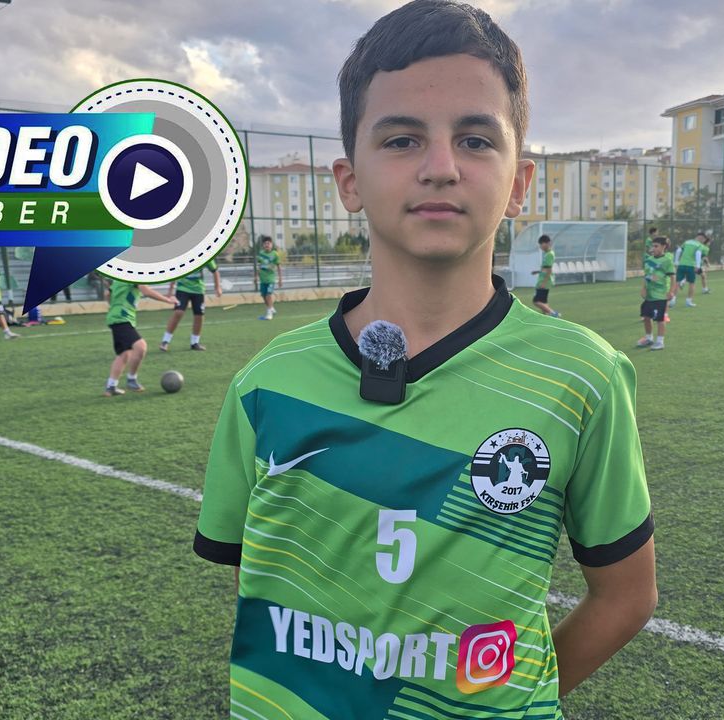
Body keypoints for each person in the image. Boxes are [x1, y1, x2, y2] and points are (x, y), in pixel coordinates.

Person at [194, 3, 656, 717]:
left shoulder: (580, 377)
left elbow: (625, 596)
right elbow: (256, 580)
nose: (441, 168)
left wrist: (504, 702)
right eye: (402, 140)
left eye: (475, 140)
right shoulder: (268, 383)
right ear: (349, 181)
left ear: (520, 183)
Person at [103, 278, 177, 397]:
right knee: (141, 346)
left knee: (124, 354)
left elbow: (107, 294)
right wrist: (168, 300)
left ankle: (111, 386)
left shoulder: (119, 278)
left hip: (115, 318)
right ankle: (131, 379)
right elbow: (146, 291)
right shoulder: (133, 275)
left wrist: (114, 305)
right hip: (122, 319)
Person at [160, 258, 221, 351]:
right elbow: (174, 272)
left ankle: (195, 343)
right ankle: (165, 341)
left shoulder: (206, 257)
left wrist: (217, 287)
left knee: (199, 315)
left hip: (198, 290)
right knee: (178, 312)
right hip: (182, 289)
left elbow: (215, 271)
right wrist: (170, 290)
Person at [638, 236, 677, 350]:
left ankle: (660, 342)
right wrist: (643, 288)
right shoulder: (649, 260)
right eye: (653, 246)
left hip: (660, 296)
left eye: (656, 246)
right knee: (646, 317)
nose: (653, 248)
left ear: (664, 247)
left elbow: (673, 278)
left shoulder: (667, 261)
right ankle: (648, 338)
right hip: (649, 296)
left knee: (660, 319)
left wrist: (671, 292)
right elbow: (646, 276)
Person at [671, 231, 707, 308]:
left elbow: (678, 250)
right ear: (702, 238)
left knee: (677, 282)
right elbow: (698, 253)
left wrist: (676, 262)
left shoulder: (687, 242)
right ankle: (688, 301)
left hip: (681, 264)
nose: (703, 241)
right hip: (691, 266)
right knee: (691, 283)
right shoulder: (699, 245)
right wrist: (698, 266)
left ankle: (672, 300)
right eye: (704, 240)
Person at [254, 235, 282, 320]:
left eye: (268, 243)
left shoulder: (275, 254)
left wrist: (280, 279)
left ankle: (269, 313)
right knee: (263, 295)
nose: (267, 245)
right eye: (265, 243)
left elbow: (278, 266)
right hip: (263, 279)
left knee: (268, 295)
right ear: (263, 245)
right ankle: (271, 308)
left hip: (271, 279)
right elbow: (259, 266)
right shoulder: (261, 254)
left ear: (271, 244)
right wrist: (256, 276)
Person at [531, 234, 560, 316]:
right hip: (543, 280)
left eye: (541, 244)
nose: (540, 246)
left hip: (544, 281)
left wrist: (544, 283)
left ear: (547, 243)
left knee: (536, 301)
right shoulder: (547, 254)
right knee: (543, 301)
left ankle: (554, 314)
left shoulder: (549, 254)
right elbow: (545, 268)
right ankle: (548, 317)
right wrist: (537, 272)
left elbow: (549, 270)